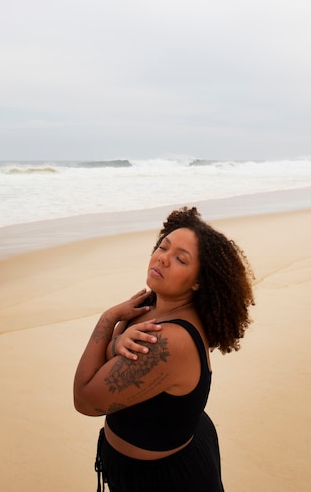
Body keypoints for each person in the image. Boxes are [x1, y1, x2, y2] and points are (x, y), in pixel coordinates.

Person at [74, 206, 254, 492]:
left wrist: (108, 318)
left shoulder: (169, 340)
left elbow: (84, 398)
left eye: (180, 259)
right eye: (163, 246)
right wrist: (115, 343)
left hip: (165, 479)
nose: (163, 258)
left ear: (198, 282)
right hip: (162, 454)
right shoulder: (153, 304)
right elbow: (112, 363)